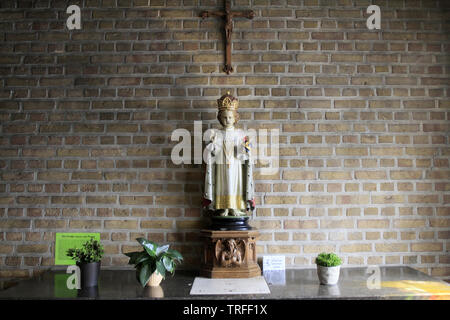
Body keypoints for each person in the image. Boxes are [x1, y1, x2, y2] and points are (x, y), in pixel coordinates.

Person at [202, 92, 255, 218]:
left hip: (236, 163)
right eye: (224, 118)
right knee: (223, 184)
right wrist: (212, 144)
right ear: (220, 118)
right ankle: (224, 207)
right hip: (221, 164)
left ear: (235, 118)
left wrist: (245, 148)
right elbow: (213, 152)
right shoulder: (216, 133)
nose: (227, 120)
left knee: (236, 183)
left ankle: (235, 207)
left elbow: (246, 151)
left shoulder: (240, 134)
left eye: (230, 117)